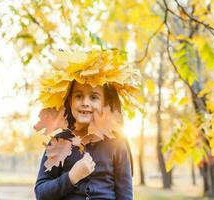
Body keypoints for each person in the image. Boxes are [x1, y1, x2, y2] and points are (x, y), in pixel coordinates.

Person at [34, 49, 141, 200]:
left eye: (94, 97)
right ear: (70, 101)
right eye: (79, 96)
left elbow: (125, 195)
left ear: (105, 103)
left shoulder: (117, 144)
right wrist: (71, 177)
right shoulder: (58, 142)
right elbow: (41, 193)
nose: (85, 103)